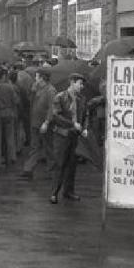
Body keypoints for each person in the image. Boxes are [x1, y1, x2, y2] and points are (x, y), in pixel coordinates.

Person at [49, 73, 88, 204]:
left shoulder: (82, 99)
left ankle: (68, 191)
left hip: (74, 136)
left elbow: (85, 114)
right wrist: (72, 124)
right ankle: (54, 192)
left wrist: (85, 127)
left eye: (82, 84)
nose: (81, 86)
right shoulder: (60, 97)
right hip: (62, 135)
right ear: (72, 82)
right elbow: (56, 116)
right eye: (79, 83)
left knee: (72, 165)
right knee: (59, 164)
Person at [20, 68, 56, 179]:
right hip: (35, 122)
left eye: (37, 76)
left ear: (42, 78)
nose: (35, 78)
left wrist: (47, 122)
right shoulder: (37, 89)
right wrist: (32, 91)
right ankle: (28, 168)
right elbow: (30, 101)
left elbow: (52, 108)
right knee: (35, 146)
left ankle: (53, 169)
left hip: (45, 123)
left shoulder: (50, 90)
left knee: (48, 147)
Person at [0, 66, 19, 169]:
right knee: (10, 136)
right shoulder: (9, 87)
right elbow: (16, 101)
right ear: (4, 76)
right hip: (9, 113)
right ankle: (11, 157)